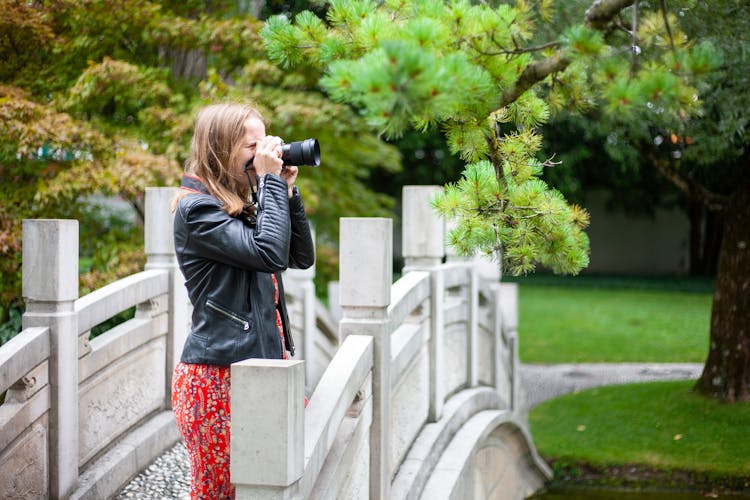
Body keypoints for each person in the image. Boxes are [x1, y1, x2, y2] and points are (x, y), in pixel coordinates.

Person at [170, 102, 315, 499]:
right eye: (253, 146)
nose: (265, 153)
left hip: (262, 367)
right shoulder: (197, 210)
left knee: (270, 483)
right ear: (221, 149)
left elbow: (297, 258)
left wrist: (284, 190)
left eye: (267, 143)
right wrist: (268, 183)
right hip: (218, 380)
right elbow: (267, 252)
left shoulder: (241, 206)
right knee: (221, 494)